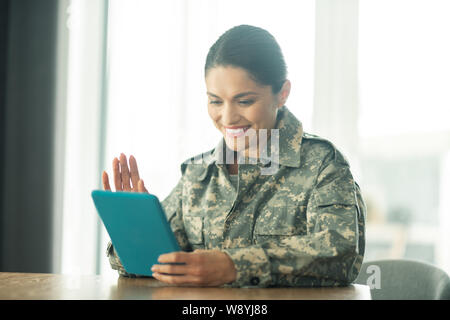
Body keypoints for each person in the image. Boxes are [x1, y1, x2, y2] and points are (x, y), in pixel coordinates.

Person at [102, 25, 366, 288]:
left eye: (245, 101)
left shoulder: (322, 164)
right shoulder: (198, 173)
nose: (227, 118)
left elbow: (341, 254)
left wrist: (233, 266)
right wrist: (138, 233)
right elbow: (156, 263)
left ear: (282, 93)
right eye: (216, 101)